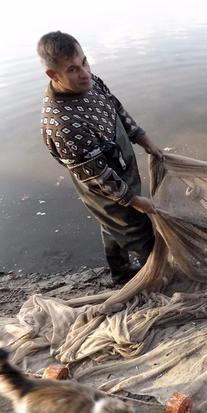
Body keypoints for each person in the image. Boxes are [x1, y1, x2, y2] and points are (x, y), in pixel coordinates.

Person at [37, 31, 163, 284]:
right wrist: (135, 200)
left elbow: (116, 108)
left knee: (112, 226)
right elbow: (96, 176)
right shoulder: (63, 124)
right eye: (73, 69)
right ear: (53, 75)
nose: (84, 73)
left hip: (121, 166)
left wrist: (143, 139)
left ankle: (120, 272)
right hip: (103, 186)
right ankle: (157, 278)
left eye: (84, 62)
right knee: (138, 230)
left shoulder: (91, 82)